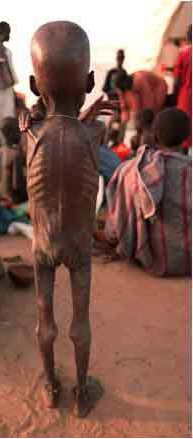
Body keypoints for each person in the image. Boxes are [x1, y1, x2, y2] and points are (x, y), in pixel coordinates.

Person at [20, 21, 118, 418]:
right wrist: (87, 113)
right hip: (79, 246)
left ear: (31, 84)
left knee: (45, 318)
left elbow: (42, 120)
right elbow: (80, 133)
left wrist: (45, 106)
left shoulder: (28, 131)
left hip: (42, 244)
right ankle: (81, 393)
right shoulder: (95, 132)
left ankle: (50, 384)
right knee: (81, 320)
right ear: (91, 80)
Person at [105, 108, 191, 276]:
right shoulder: (188, 170)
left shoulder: (131, 170)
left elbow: (117, 220)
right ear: (187, 137)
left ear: (155, 135)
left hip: (150, 258)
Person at [0, 117, 27, 205]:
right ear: (10, 134)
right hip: (14, 201)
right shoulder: (16, 154)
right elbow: (17, 185)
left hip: (2, 199)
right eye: (18, 131)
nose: (20, 134)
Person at [173, 24, 192, 151]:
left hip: (185, 95)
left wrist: (174, 96)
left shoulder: (183, 53)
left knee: (183, 126)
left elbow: (177, 79)